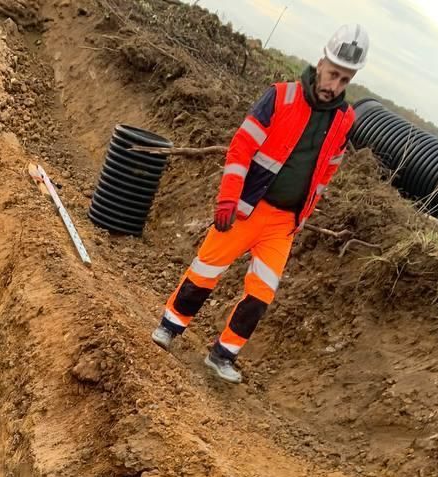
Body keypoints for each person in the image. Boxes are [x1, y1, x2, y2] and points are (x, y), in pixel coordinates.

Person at [151, 25, 368, 385]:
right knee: (206, 269)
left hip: (283, 223)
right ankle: (170, 327)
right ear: (321, 63)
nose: (336, 85)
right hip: (248, 207)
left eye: (345, 79)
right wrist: (228, 196)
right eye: (333, 74)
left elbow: (328, 169)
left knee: (261, 293)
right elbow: (241, 147)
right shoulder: (281, 97)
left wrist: (304, 215)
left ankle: (223, 354)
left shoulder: (345, 119)